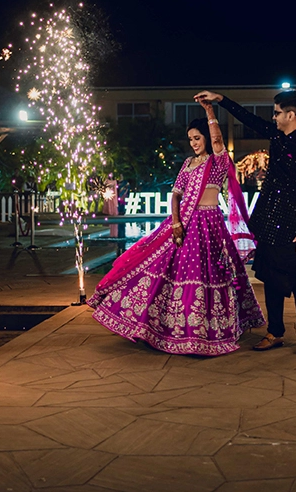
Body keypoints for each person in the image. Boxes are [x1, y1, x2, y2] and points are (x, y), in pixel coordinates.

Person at [87, 103, 265, 355]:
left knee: (211, 275)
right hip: (186, 225)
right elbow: (176, 195)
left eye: (197, 137)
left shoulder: (218, 161)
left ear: (207, 136)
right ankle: (172, 329)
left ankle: (209, 330)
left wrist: (210, 112)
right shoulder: (188, 164)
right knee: (176, 273)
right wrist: (176, 222)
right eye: (190, 139)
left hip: (211, 225)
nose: (193, 143)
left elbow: (217, 141)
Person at [194, 89, 296, 354]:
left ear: (291, 114)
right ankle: (275, 332)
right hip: (267, 221)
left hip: (293, 226)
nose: (273, 117)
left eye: (277, 113)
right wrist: (220, 100)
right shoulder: (276, 137)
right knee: (271, 280)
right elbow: (248, 119)